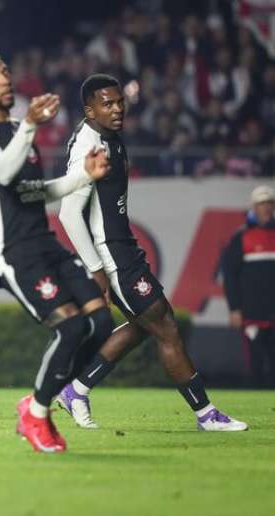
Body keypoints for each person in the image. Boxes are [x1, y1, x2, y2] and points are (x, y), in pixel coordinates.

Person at [56, 74, 247, 432]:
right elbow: (68, 213)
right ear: (88, 109)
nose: (116, 109)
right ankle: (206, 414)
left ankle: (76, 391)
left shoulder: (109, 138)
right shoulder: (90, 146)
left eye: (118, 101)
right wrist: (97, 271)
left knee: (145, 327)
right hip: (112, 255)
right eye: (106, 103)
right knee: (166, 326)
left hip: (122, 248)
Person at [0, 44, 114, 453]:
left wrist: (83, 176)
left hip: (44, 242)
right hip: (12, 251)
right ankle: (37, 414)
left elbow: (31, 191)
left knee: (101, 324)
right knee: (71, 327)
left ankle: (36, 400)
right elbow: (2, 172)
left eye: (4, 70)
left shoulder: (19, 130)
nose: (4, 77)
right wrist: (30, 126)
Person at [222, 185, 275, 387]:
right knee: (255, 363)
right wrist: (234, 308)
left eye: (270, 203)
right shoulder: (241, 237)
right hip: (253, 313)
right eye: (262, 204)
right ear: (254, 207)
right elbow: (230, 276)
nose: (266, 208)